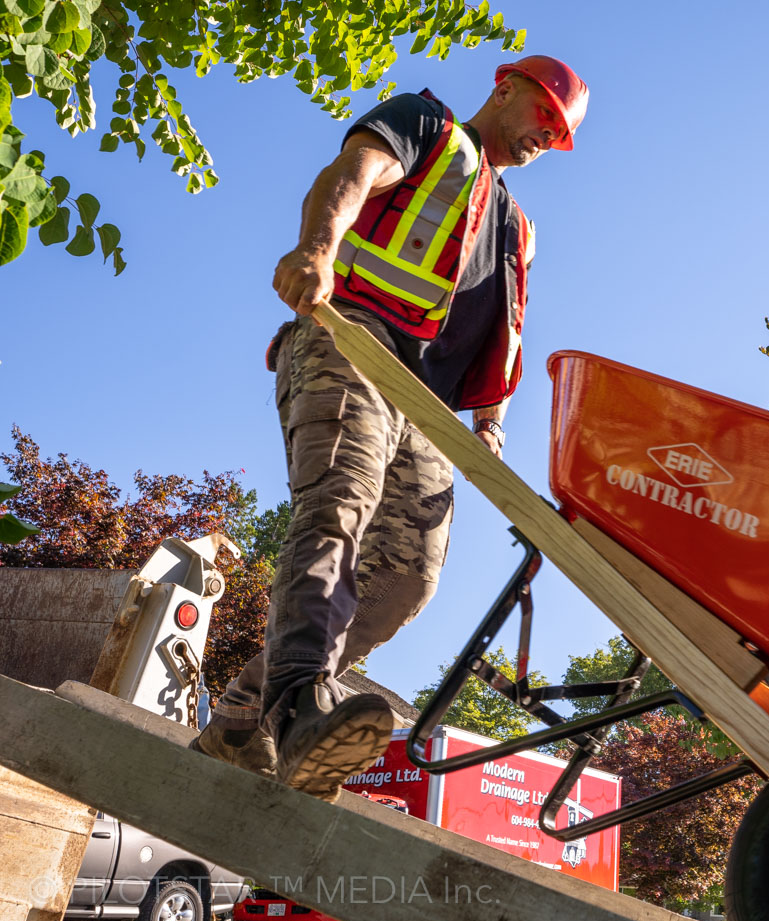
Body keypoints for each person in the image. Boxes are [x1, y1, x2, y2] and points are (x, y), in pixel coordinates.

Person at [190, 56, 589, 800]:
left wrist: (491, 425)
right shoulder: (427, 126)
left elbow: (503, 325)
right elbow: (352, 173)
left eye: (561, 135)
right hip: (353, 339)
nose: (547, 137)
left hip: (427, 405)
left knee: (407, 577)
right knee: (339, 502)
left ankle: (243, 716)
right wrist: (316, 249)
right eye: (545, 116)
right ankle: (302, 705)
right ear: (505, 89)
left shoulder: (514, 224)